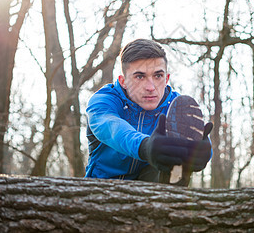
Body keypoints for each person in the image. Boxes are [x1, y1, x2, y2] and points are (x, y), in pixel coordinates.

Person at [85, 38, 212, 184]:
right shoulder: (103, 101)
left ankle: (169, 201)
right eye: (140, 76)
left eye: (158, 76)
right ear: (123, 81)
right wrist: (146, 146)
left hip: (153, 191)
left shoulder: (177, 106)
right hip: (101, 190)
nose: (151, 87)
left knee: (174, 153)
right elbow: (112, 127)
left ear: (166, 79)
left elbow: (194, 139)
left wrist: (202, 151)